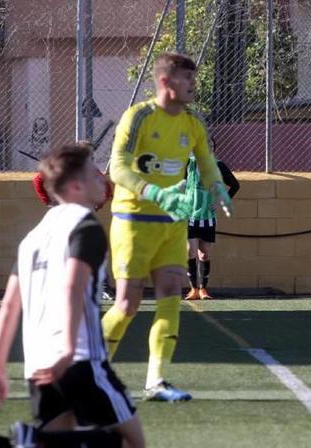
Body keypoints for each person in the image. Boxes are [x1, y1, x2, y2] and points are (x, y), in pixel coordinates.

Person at [0, 144, 145, 448]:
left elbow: (9, 305)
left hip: (39, 365)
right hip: (77, 359)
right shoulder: (86, 226)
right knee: (132, 447)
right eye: (95, 171)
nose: (103, 177)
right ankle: (33, 437)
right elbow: (71, 287)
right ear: (76, 186)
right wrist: (67, 350)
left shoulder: (32, 237)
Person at [102, 53, 232, 402]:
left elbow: (206, 161)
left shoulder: (192, 121)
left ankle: (156, 380)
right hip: (134, 222)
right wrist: (153, 191)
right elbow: (116, 167)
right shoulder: (139, 116)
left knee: (171, 298)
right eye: (187, 79)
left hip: (173, 223)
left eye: (194, 79)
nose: (193, 85)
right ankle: (90, 372)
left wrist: (217, 186)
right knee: (127, 305)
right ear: (165, 82)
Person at [32, 140, 116, 300]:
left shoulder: (90, 172)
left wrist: (97, 204)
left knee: (92, 248)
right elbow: (37, 180)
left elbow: (107, 190)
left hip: (80, 215)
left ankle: (104, 287)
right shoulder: (65, 171)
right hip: (65, 215)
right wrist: (48, 202)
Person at [185, 138, 240, 300]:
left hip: (207, 217)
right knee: (191, 252)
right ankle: (193, 289)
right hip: (190, 215)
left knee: (204, 254)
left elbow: (235, 185)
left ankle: (203, 289)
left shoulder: (219, 166)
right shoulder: (189, 164)